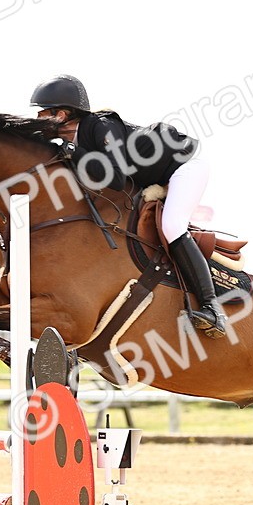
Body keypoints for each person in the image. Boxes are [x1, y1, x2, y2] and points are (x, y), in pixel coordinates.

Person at [30, 74, 225, 338]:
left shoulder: (101, 125)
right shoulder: (73, 140)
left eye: (42, 112)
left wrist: (72, 151)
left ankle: (213, 309)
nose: (38, 118)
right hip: (149, 179)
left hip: (184, 167)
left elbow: (116, 177)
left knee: (172, 225)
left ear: (61, 114)